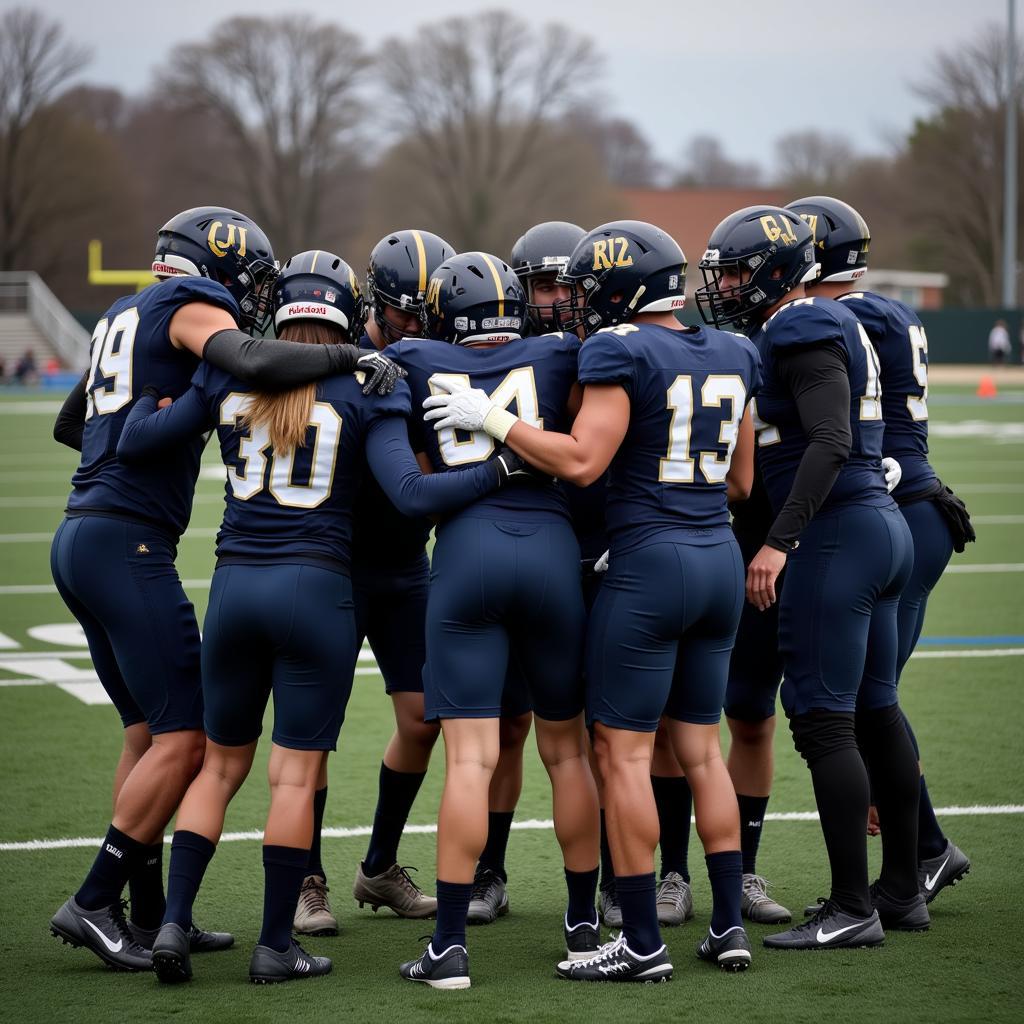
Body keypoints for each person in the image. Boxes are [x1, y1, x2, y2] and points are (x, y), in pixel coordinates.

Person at [113, 252, 526, 984]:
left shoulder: (229, 371)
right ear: (348, 311)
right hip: (316, 591)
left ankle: (171, 925)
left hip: (235, 586)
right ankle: (276, 945)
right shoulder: (365, 381)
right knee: (294, 776)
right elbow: (410, 494)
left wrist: (149, 401)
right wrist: (499, 468)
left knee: (218, 766)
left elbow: (137, 438)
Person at [47, 208, 404, 973]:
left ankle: (149, 918)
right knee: (189, 739)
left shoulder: (121, 312)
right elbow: (250, 358)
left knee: (149, 734)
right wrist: (353, 357)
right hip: (138, 544)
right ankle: (95, 899)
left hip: (85, 533)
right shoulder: (196, 310)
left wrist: (158, 420)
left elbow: (73, 422)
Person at [426, 221, 760, 980]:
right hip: (717, 556)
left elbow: (579, 462)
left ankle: (639, 941)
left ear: (617, 287)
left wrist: (498, 421)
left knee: (624, 754)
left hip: (649, 566)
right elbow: (742, 482)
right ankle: (728, 927)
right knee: (704, 751)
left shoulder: (620, 349)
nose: (575, 303)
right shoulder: (738, 352)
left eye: (584, 288)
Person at [696, 204, 924, 949]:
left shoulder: (798, 325)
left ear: (772, 271)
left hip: (837, 533)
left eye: (734, 270)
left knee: (824, 721)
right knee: (874, 710)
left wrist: (778, 542)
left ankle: (852, 906)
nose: (725, 284)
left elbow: (828, 439)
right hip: (873, 524)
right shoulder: (824, 322)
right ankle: (899, 889)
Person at [389, 252, 600, 989]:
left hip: (466, 554)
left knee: (471, 761)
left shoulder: (410, 358)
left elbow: (418, 466)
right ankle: (581, 930)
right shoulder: (566, 353)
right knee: (567, 753)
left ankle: (449, 948)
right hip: (552, 553)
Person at [789, 196, 974, 903]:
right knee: (870, 701)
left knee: (863, 704)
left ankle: (922, 853)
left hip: (888, 505)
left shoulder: (843, 317)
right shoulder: (889, 311)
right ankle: (921, 853)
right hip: (911, 506)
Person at [295, 230, 455, 936]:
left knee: (424, 718)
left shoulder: (439, 362)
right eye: (404, 319)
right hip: (330, 565)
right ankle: (306, 881)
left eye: (429, 319)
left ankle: (380, 866)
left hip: (402, 564)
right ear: (373, 308)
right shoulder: (341, 363)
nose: (417, 333)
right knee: (311, 735)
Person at [464, 220, 588, 928]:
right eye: (543, 284)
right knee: (508, 728)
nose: (557, 299)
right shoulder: (478, 351)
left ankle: (620, 880)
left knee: (602, 734)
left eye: (567, 284)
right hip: (513, 556)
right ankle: (490, 869)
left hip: (590, 558)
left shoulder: (599, 352)